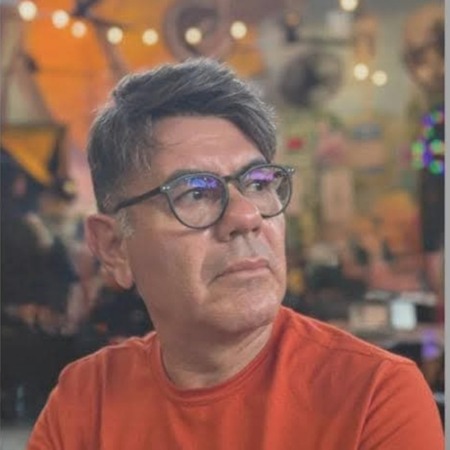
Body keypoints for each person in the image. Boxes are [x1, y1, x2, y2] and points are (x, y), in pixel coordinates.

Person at [27, 58, 443, 450]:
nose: (247, 216)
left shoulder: (373, 396)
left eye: (259, 184)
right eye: (195, 193)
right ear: (114, 246)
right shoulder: (86, 401)